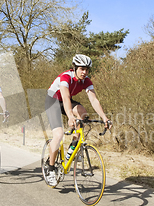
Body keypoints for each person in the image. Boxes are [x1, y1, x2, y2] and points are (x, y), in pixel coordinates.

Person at [44, 54, 112, 185]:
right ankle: (51, 168)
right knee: (58, 135)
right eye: (82, 69)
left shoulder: (86, 81)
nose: (84, 72)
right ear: (75, 68)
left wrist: (104, 117)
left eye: (87, 69)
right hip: (53, 102)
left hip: (67, 101)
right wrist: (70, 117)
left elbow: (93, 99)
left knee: (84, 115)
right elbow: (65, 98)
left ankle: (74, 146)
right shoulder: (65, 77)